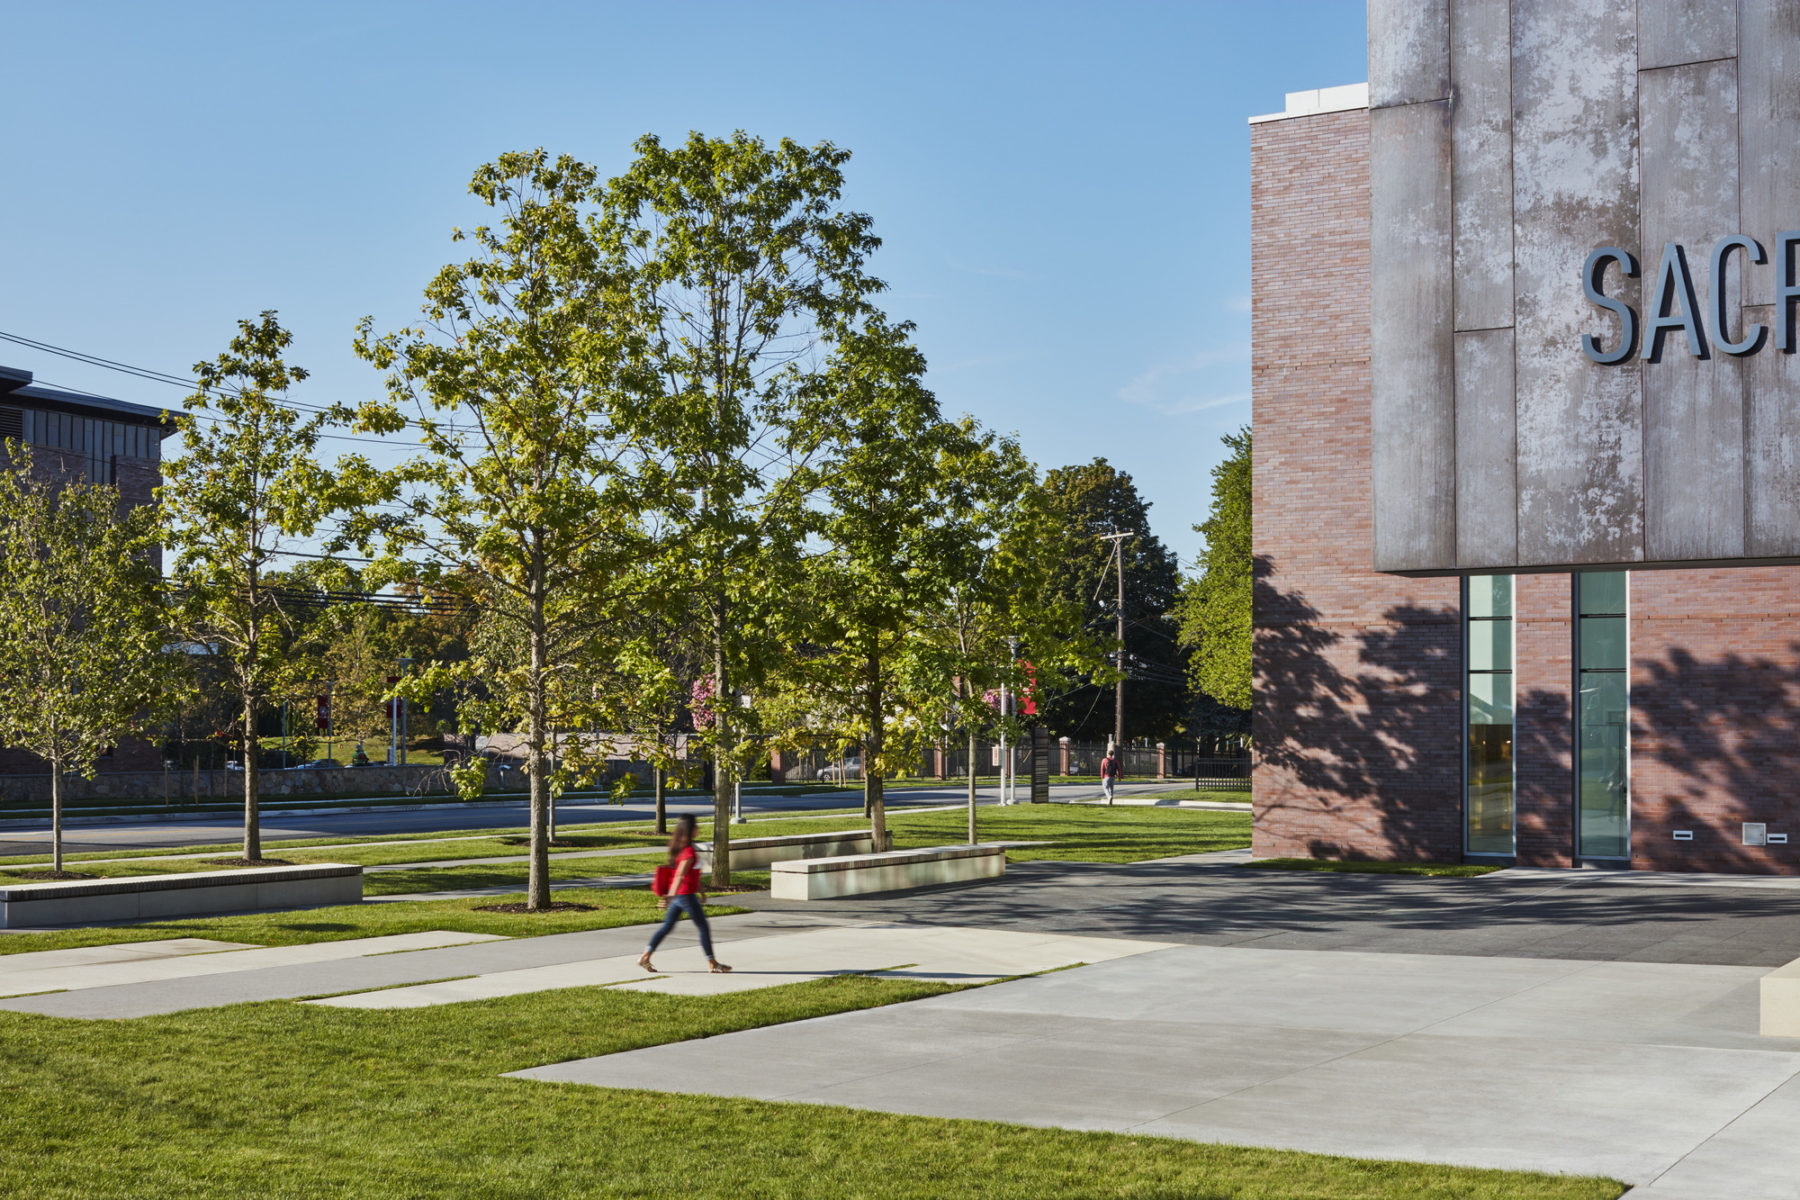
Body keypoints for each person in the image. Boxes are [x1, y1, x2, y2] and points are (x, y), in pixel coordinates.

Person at [639, 814, 731, 974]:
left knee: (667, 927)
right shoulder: (688, 851)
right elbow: (680, 876)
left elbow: (692, 875)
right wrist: (669, 896)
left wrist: (701, 892)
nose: (698, 829)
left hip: (682, 895)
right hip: (685, 895)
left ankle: (645, 957)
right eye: (696, 826)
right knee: (703, 927)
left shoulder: (683, 849)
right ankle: (712, 963)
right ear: (690, 830)